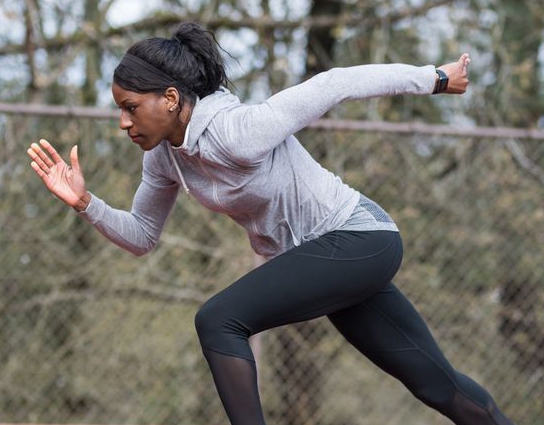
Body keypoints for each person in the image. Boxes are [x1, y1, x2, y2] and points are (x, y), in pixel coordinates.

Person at [27, 22, 513, 425]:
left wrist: (434, 78)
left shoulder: (237, 132)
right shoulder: (165, 160)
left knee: (219, 319)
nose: (122, 122)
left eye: (130, 107)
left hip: (360, 238)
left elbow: (334, 84)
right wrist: (85, 202)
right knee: (440, 387)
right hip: (329, 259)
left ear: (171, 99)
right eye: (119, 109)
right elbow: (141, 237)